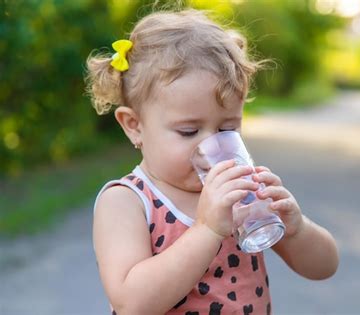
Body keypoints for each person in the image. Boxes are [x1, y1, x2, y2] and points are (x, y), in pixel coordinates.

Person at [86, 8, 338, 315]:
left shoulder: (241, 194)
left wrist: (297, 229)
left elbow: (324, 268)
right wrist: (207, 229)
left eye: (228, 128)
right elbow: (131, 304)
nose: (212, 146)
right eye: (189, 131)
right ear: (134, 125)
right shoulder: (127, 202)